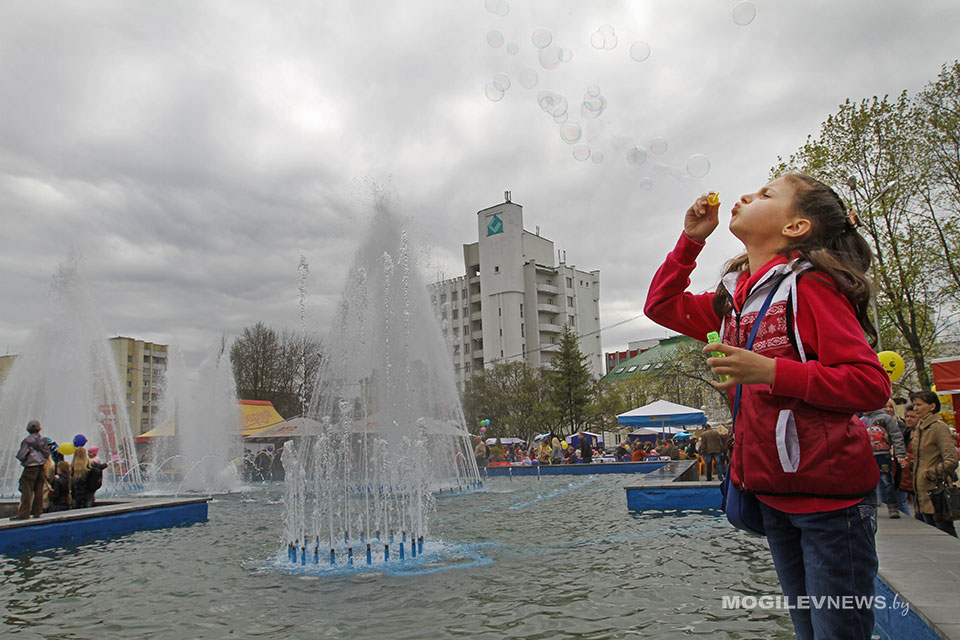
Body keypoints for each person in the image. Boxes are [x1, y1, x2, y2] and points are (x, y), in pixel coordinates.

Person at [644, 174, 890, 640]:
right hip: (772, 494)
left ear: (795, 227)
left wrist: (772, 371)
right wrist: (690, 242)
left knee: (837, 631)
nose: (745, 196)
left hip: (830, 501)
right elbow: (660, 305)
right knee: (807, 629)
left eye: (765, 195)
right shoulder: (733, 300)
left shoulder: (810, 286)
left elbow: (871, 384)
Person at [909, 390, 959, 537]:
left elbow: (951, 460)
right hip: (923, 489)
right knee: (932, 531)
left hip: (936, 489)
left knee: (944, 531)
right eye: (914, 405)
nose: (915, 408)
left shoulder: (938, 427)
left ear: (932, 406)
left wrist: (931, 473)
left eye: (919, 405)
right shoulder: (921, 426)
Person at [862, 404, 907, 518]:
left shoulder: (885, 418)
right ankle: (870, 506)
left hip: (883, 454)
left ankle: (892, 506)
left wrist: (900, 453)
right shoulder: (861, 421)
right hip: (866, 456)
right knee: (867, 482)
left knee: (886, 480)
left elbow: (896, 436)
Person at [13, 420, 51, 520]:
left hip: (30, 467)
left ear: (28, 429)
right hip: (41, 467)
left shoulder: (27, 441)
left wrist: (23, 460)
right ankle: (37, 511)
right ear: (39, 429)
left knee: (27, 489)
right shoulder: (43, 440)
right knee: (39, 489)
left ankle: (24, 513)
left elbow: (21, 454)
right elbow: (47, 453)